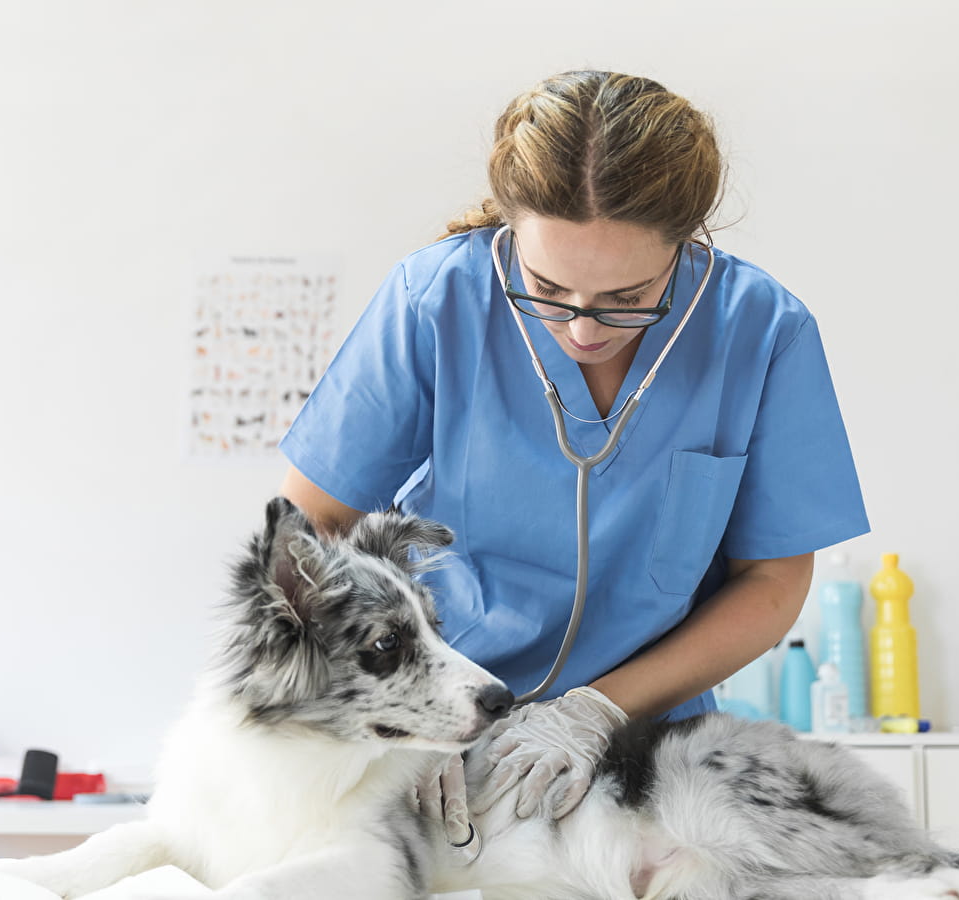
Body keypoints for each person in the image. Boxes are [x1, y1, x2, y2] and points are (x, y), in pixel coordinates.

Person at [276, 70, 867, 854]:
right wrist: (395, 709)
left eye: (627, 295)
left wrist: (597, 712)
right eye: (546, 287)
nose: (583, 330)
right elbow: (311, 542)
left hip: (645, 743)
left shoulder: (761, 333)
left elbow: (772, 584)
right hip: (437, 730)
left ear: (687, 243)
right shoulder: (435, 300)